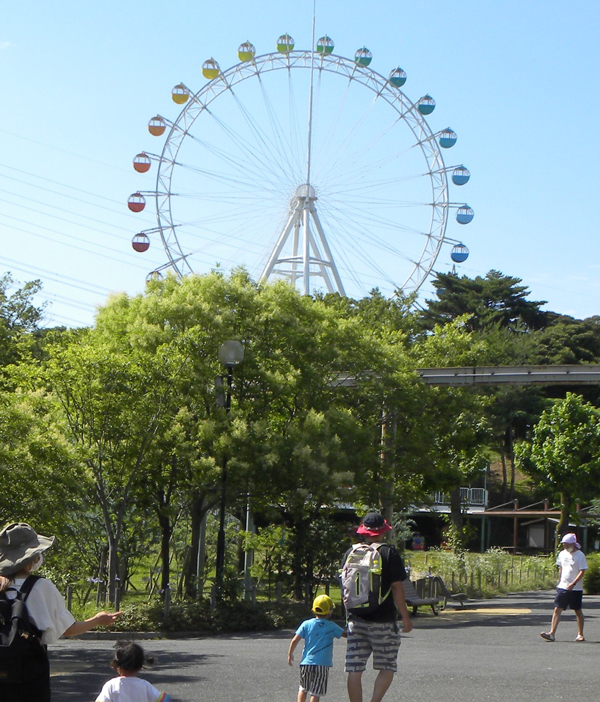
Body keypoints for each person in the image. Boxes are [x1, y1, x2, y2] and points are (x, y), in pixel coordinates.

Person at [0, 522, 122, 702]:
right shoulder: (41, 587)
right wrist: (97, 619)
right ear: (33, 558)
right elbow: (67, 629)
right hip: (28, 675)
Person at [343, 512, 412, 702]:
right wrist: (405, 617)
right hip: (384, 620)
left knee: (354, 669)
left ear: (363, 531)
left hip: (356, 620)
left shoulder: (351, 553)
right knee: (387, 666)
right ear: (383, 531)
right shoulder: (389, 552)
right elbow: (397, 587)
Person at [288, 594, 346, 702]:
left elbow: (295, 640)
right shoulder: (332, 626)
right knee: (316, 692)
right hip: (322, 664)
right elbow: (345, 634)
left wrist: (290, 654)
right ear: (330, 611)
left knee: (303, 689)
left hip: (306, 663)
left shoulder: (306, 624)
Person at [540, 532, 588, 642]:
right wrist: (559, 581)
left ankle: (580, 634)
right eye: (564, 544)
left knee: (577, 610)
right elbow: (561, 568)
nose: (565, 546)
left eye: (567, 544)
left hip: (575, 588)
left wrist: (573, 583)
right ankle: (551, 633)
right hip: (563, 586)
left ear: (573, 544)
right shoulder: (562, 554)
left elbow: (582, 571)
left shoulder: (580, 555)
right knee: (557, 608)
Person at [94, 640, 171, 702]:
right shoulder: (145, 685)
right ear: (140, 665)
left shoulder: (111, 685)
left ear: (118, 664)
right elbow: (165, 699)